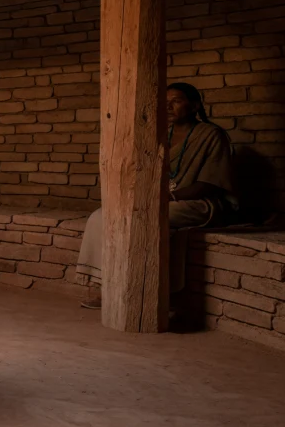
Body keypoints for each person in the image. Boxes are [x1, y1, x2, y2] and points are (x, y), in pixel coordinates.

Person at [77, 82, 236, 309]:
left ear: (194, 106)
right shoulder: (159, 135)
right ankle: (107, 287)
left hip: (196, 202)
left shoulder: (211, 135)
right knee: (100, 216)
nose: (169, 107)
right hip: (157, 201)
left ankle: (156, 295)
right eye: (165, 102)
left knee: (143, 219)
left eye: (177, 101)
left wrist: (168, 198)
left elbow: (211, 184)